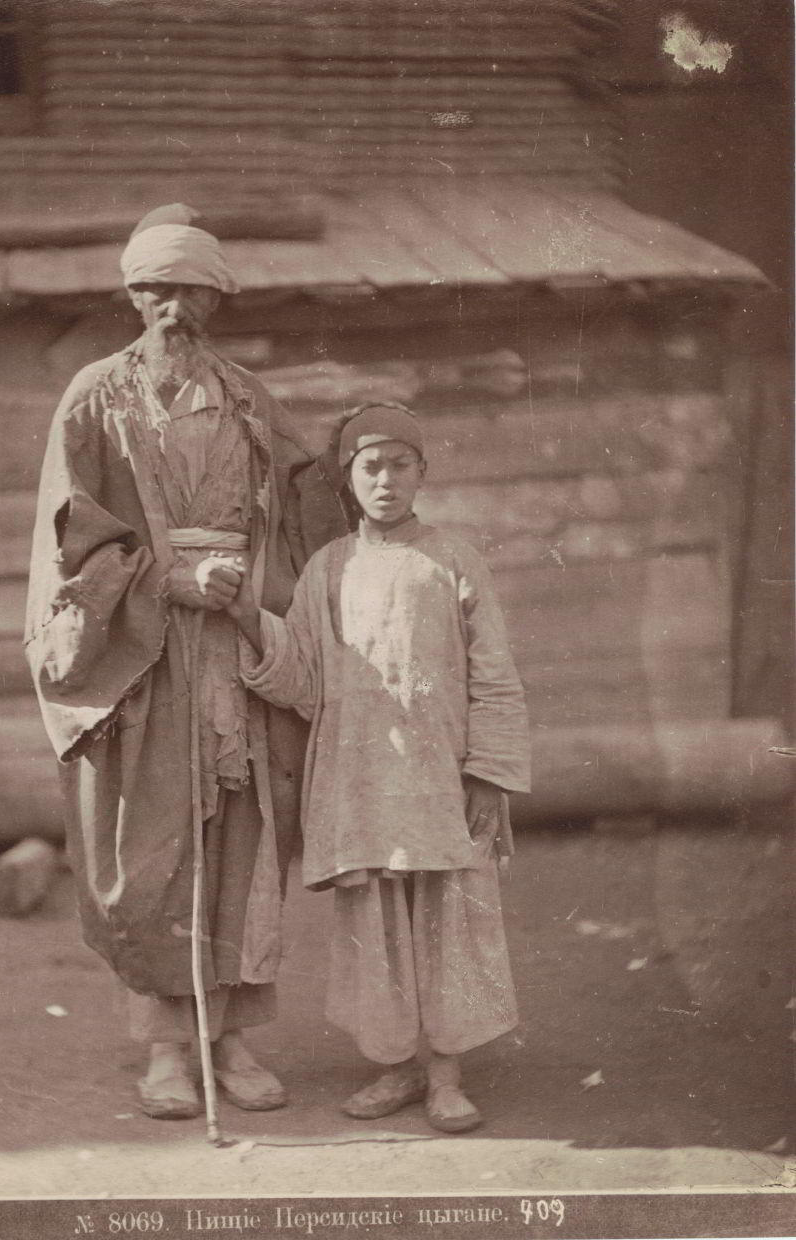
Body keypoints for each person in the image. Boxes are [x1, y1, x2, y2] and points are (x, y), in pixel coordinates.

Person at [24, 204, 347, 1120]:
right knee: (153, 843)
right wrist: (165, 579)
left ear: (218, 296)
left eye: (190, 288)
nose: (172, 306)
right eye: (154, 288)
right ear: (131, 295)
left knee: (244, 837)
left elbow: (304, 502)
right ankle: (165, 1050)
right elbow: (70, 533)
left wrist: (266, 589)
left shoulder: (248, 399)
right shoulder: (94, 396)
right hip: (145, 651)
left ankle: (235, 1039)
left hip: (238, 639)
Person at [230, 402, 531, 1133]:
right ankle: (396, 1067)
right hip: (362, 780)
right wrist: (243, 615)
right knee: (377, 928)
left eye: (401, 464)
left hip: (439, 778)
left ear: (422, 471)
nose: (386, 480)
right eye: (370, 467)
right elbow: (301, 675)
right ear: (348, 478)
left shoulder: (453, 560)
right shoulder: (330, 569)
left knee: (447, 919)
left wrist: (486, 772)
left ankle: (447, 1076)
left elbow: (494, 673)